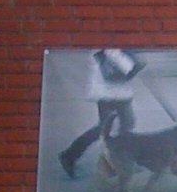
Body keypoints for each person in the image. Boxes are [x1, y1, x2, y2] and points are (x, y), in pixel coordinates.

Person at [59, 48, 145, 177]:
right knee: (105, 128)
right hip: (107, 93)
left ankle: (119, 162)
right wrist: (134, 65)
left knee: (125, 125)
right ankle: (70, 156)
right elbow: (116, 59)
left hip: (120, 91)